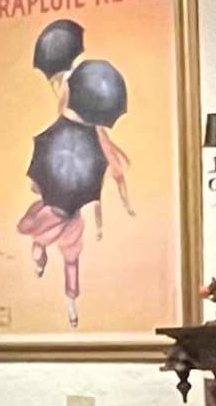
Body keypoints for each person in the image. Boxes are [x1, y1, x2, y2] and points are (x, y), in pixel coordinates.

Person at [16, 21, 136, 331]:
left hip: (65, 203)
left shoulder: (75, 94)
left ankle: (70, 299)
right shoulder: (80, 95)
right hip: (63, 194)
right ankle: (48, 265)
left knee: (69, 256)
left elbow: (98, 183)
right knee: (59, 246)